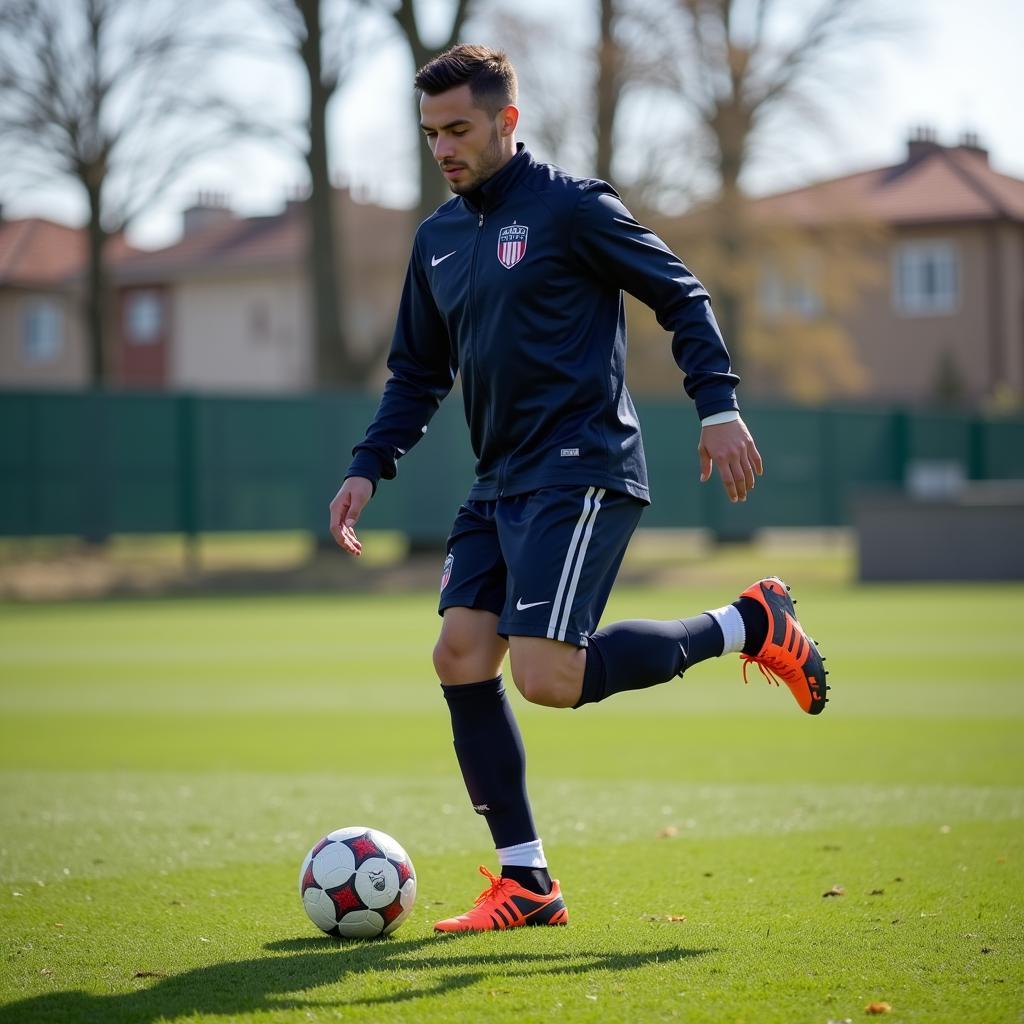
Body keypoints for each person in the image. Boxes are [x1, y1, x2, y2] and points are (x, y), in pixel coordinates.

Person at [329, 44, 829, 934]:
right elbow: (415, 371)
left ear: (505, 121)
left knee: (546, 677)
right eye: (430, 133)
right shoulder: (438, 238)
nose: (443, 147)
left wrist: (717, 404)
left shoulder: (571, 207)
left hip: (582, 462)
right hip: (500, 480)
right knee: (458, 657)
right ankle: (527, 882)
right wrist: (369, 465)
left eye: (459, 129)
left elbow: (681, 294)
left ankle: (750, 623)